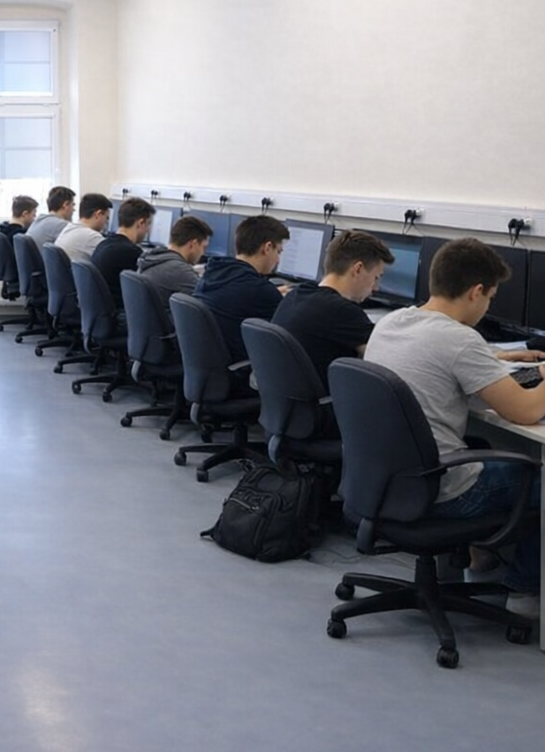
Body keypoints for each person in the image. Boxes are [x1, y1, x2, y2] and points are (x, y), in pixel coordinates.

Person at [364, 238, 545, 618]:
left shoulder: (392, 323)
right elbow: (526, 411)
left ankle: (477, 562)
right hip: (443, 490)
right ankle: (524, 592)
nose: (488, 306)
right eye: (490, 297)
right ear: (476, 291)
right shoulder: (460, 340)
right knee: (538, 477)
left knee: (482, 443)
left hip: (385, 480)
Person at [272, 229, 392, 386]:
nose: (376, 287)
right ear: (358, 269)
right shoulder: (342, 311)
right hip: (323, 399)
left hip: (285, 395)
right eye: (376, 277)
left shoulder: (296, 294)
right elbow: (386, 359)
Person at [192, 214, 291, 363]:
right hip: (237, 368)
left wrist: (272, 291)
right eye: (279, 252)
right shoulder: (259, 291)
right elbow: (287, 333)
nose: (278, 260)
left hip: (205, 362)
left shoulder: (212, 273)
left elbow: (237, 296)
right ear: (267, 248)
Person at [90, 197, 154, 304]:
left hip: (101, 309)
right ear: (141, 223)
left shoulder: (103, 244)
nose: (148, 230)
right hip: (118, 310)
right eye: (148, 224)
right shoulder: (130, 253)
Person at [136, 214, 213, 299]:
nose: (203, 253)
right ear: (193, 244)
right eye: (204, 247)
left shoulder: (151, 258)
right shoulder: (181, 271)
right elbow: (209, 299)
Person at [54, 192, 112, 261]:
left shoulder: (69, 228)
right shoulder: (93, 237)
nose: (106, 222)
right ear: (98, 214)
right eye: (106, 218)